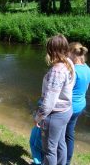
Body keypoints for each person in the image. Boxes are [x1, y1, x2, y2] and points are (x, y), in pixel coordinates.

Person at [34, 34, 74, 165]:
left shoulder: (56, 71)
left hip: (55, 115)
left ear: (51, 50)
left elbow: (49, 102)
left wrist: (39, 116)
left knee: (50, 150)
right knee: (60, 143)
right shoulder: (69, 62)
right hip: (66, 110)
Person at [65, 42, 90, 165]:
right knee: (69, 134)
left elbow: (64, 91)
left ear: (72, 54)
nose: (66, 57)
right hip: (80, 105)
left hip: (69, 107)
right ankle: (67, 161)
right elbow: (85, 89)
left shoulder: (72, 70)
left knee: (61, 136)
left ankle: (61, 160)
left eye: (67, 54)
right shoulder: (87, 68)